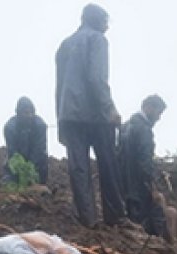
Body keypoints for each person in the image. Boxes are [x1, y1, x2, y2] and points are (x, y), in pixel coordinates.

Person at [55, 3, 125, 228]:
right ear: (98, 20)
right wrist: (110, 110)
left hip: (69, 116)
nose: (107, 27)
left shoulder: (64, 45)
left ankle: (89, 221)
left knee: (79, 168)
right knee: (108, 164)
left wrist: (61, 121)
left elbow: (59, 87)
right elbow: (97, 78)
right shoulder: (97, 39)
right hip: (95, 114)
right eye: (106, 22)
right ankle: (115, 219)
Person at [118, 94, 177, 241]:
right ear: (148, 107)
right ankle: (164, 245)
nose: (159, 118)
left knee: (133, 219)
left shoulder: (125, 127)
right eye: (158, 113)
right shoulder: (144, 130)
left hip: (124, 185)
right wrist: (153, 187)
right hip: (139, 187)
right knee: (156, 212)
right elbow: (145, 161)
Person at [3, 97, 49, 185]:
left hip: (36, 163)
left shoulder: (40, 126)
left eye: (32, 112)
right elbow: (12, 151)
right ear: (18, 113)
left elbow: (39, 149)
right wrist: (21, 168)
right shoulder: (10, 128)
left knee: (43, 159)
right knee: (9, 176)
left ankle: (40, 182)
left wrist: (29, 168)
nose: (30, 115)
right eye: (26, 113)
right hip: (18, 161)